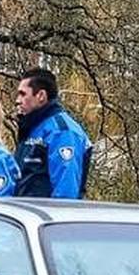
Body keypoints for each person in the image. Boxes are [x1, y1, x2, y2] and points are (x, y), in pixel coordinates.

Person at [14, 68, 90, 199]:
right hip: (25, 215)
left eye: (23, 94)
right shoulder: (32, 128)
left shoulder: (62, 132)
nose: (17, 100)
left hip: (43, 217)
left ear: (41, 96)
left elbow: (65, 193)